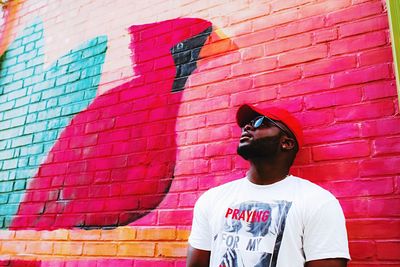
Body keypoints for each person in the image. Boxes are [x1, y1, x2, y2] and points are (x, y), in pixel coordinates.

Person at [186, 104, 350, 267]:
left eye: (260, 122)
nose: (248, 126)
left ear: (286, 143)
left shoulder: (318, 202)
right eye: (246, 124)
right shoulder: (212, 199)